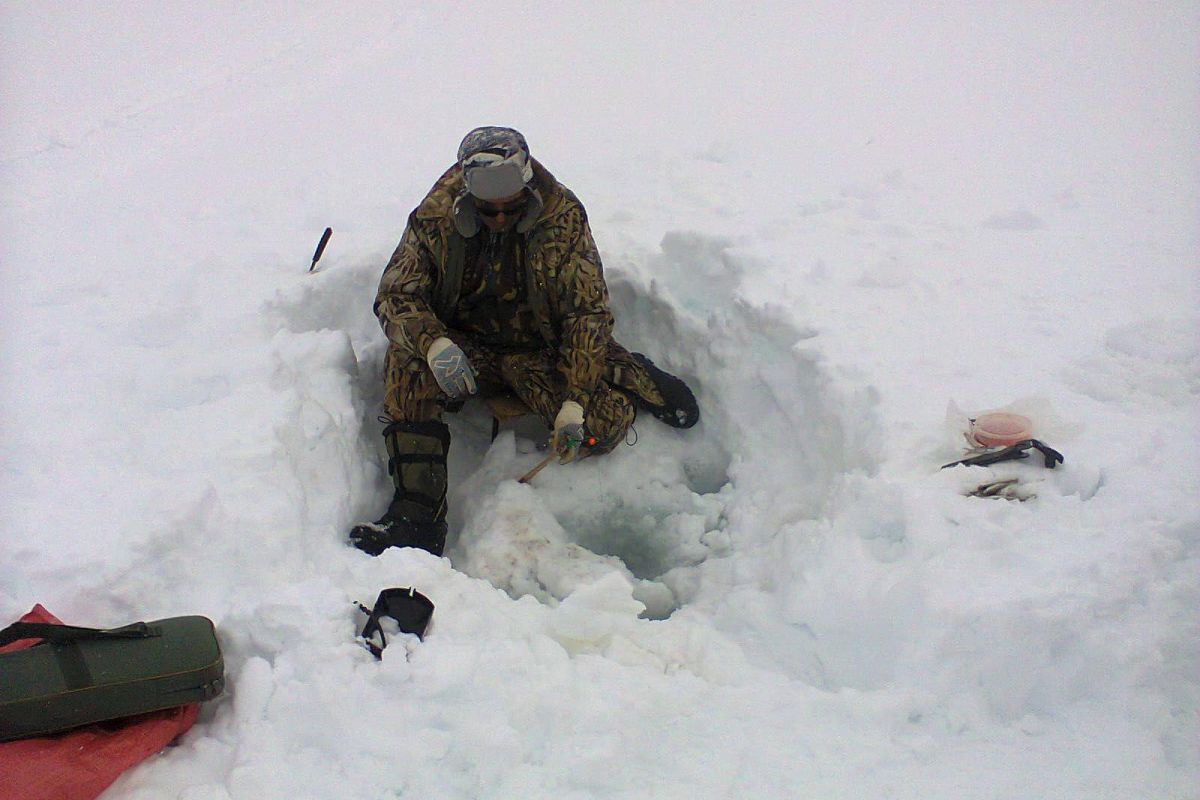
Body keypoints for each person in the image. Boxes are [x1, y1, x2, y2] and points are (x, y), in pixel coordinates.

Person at [349, 126, 699, 557]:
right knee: (405, 367)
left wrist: (574, 401)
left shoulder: (562, 217)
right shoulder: (434, 217)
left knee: (599, 430)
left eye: (509, 210)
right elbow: (396, 295)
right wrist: (434, 345)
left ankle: (628, 369)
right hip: (463, 347)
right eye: (487, 211)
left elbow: (586, 313)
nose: (499, 218)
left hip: (538, 347)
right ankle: (417, 516)